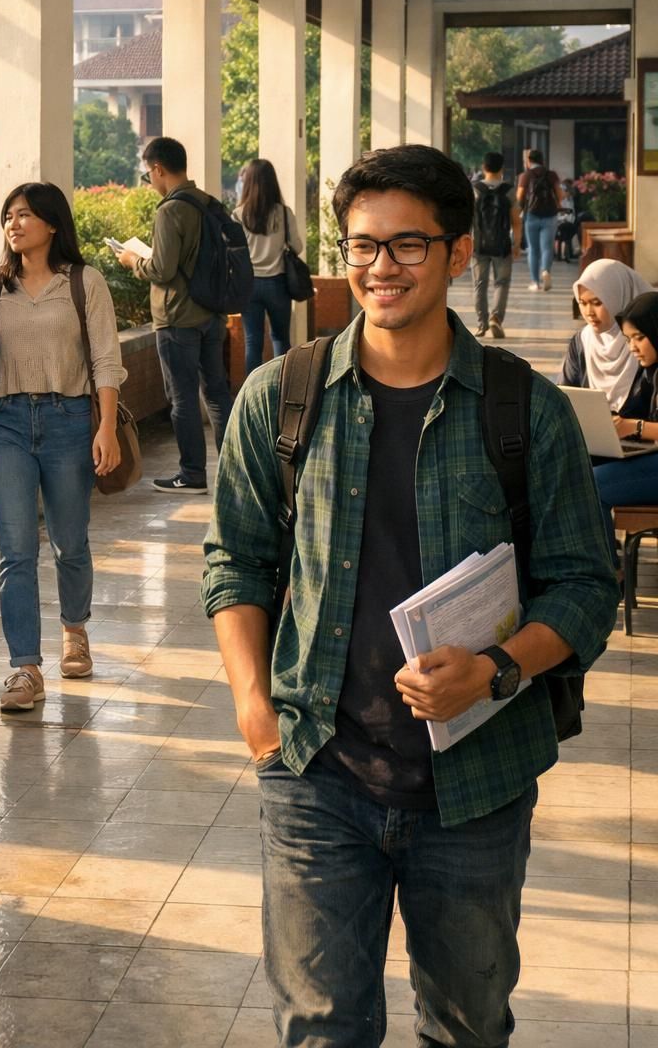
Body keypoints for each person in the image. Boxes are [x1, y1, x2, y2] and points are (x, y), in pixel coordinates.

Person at [202, 143, 618, 1048]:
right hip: (315, 768)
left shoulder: (523, 409)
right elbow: (234, 560)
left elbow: (587, 584)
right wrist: (250, 702)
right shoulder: (281, 399)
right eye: (360, 246)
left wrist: (497, 668)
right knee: (320, 1030)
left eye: (407, 246)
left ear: (459, 255)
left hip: (475, 786)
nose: (379, 269)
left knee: (467, 1028)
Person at [0, 183, 124, 712]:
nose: (14, 224)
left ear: (52, 224)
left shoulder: (84, 282)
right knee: (15, 550)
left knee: (70, 541)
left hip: (69, 419)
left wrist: (104, 427)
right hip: (8, 422)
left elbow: (106, 359)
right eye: (9, 216)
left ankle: (75, 629)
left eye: (26, 215)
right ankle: (25, 669)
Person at [117, 136, 233, 494]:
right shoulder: (208, 202)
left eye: (147, 175)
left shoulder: (170, 210)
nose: (148, 182)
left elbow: (163, 270)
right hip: (211, 314)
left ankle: (192, 473)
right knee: (216, 392)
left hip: (177, 318)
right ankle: (238, 469)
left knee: (182, 397)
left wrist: (133, 260)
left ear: (157, 169)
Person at [590, 292, 658, 561]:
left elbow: (637, 423)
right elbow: (633, 411)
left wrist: (634, 427)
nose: (633, 347)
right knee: (581, 467)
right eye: (628, 339)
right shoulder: (650, 371)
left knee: (593, 485)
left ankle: (608, 573)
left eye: (639, 337)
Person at [233, 158, 305, 374]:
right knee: (280, 339)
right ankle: (284, 388)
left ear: (248, 182)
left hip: (249, 284)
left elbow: (235, 252)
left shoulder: (238, 215)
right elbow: (297, 246)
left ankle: (251, 392)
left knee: (253, 343)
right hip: (278, 283)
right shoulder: (284, 213)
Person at [561, 258, 653, 419]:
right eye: (582, 303)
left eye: (597, 303)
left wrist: (636, 429)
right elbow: (563, 397)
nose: (588, 312)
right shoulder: (582, 342)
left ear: (619, 296)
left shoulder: (648, 340)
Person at [470, 151, 521, 339]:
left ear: (484, 167)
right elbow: (516, 221)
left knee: (479, 284)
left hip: (478, 246)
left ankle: (481, 324)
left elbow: (468, 220)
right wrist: (516, 244)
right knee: (502, 283)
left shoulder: (475, 189)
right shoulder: (508, 190)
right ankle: (496, 318)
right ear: (502, 169)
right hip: (502, 245)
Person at [516, 148, 562, 292]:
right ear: (543, 160)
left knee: (533, 249)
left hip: (532, 215)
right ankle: (546, 271)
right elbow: (559, 193)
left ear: (529, 161)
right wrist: (558, 204)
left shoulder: (525, 176)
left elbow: (519, 196)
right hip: (550, 215)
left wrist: (522, 208)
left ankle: (535, 282)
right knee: (547, 248)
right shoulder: (551, 175)